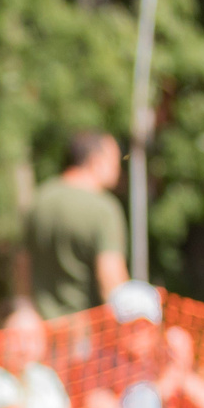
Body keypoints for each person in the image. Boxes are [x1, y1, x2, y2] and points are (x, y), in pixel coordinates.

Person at [26, 131, 130, 320]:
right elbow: (111, 280)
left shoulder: (38, 200)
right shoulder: (103, 209)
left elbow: (21, 265)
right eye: (114, 160)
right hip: (85, 335)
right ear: (95, 160)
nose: (118, 168)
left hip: (41, 334)